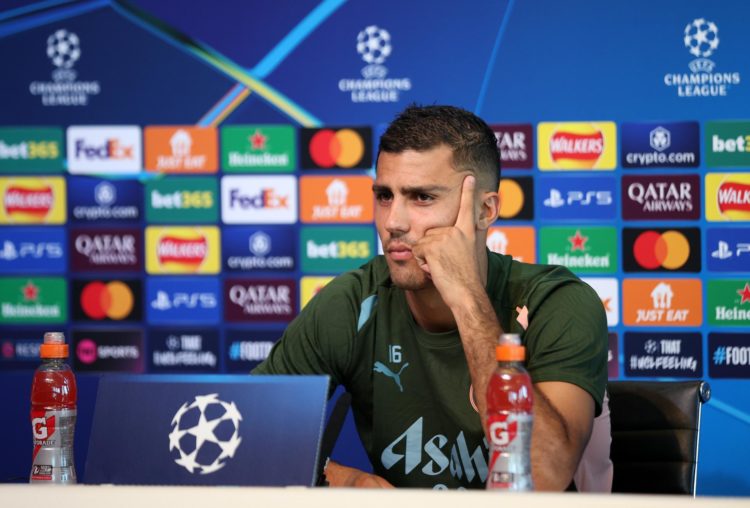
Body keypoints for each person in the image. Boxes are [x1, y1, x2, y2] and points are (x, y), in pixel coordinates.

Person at [253, 105, 610, 490]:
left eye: (422, 197)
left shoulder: (556, 304)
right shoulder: (352, 303)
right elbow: (247, 438)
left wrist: (466, 298)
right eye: (384, 196)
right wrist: (343, 479)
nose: (393, 222)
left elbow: (542, 476)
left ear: (485, 210)